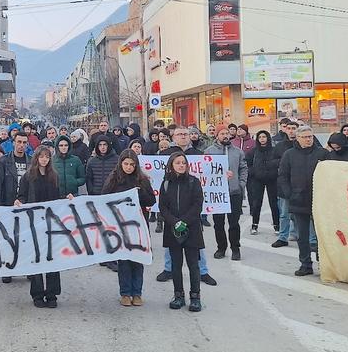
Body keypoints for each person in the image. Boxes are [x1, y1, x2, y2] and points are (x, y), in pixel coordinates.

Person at [13, 145, 71, 308]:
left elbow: (59, 197)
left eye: (47, 156)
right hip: (34, 223)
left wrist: (67, 198)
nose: (44, 159)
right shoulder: (28, 177)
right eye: (41, 156)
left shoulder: (54, 176)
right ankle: (37, 294)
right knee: (36, 258)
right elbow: (22, 196)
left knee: (52, 258)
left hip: (51, 223)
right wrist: (19, 201)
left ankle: (52, 294)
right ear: (36, 158)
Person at [101, 149, 156, 306]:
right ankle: (125, 293)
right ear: (121, 164)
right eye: (126, 164)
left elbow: (151, 200)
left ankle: (137, 293)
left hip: (139, 226)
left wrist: (139, 194)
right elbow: (104, 198)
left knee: (138, 260)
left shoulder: (142, 180)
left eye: (132, 164)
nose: (129, 167)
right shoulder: (113, 179)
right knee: (124, 261)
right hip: (120, 226)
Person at [277, 125, 329, 276]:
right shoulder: (289, 154)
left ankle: (323, 264)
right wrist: (289, 194)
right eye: (305, 137)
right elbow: (283, 175)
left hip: (319, 200)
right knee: (302, 236)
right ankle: (305, 264)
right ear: (298, 138)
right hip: (298, 200)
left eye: (310, 136)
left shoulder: (322, 153)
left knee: (321, 235)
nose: (308, 139)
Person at [159, 151, 204, 312]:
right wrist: (175, 222)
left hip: (191, 228)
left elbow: (198, 205)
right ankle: (178, 295)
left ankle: (195, 297)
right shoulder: (166, 183)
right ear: (171, 165)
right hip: (173, 229)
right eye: (177, 163)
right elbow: (163, 207)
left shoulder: (194, 182)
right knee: (176, 265)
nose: (181, 165)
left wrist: (184, 222)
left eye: (183, 163)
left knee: (193, 264)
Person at [204, 125, 248, 261]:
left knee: (234, 223)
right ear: (217, 136)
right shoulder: (209, 152)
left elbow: (243, 168)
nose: (225, 136)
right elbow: (205, 170)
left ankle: (235, 248)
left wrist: (241, 184)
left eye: (227, 133)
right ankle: (221, 248)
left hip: (234, 192)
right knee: (218, 223)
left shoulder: (238, 152)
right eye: (222, 133)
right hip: (217, 194)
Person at [247, 130, 280, 235]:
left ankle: (277, 226)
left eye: (264, 137)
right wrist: (253, 172)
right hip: (257, 180)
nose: (262, 139)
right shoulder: (253, 151)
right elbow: (247, 164)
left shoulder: (274, 150)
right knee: (256, 203)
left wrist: (274, 169)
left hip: (272, 179)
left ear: (268, 138)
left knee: (274, 203)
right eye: (260, 137)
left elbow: (280, 162)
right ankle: (254, 225)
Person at [272, 120, 299, 248]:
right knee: (284, 214)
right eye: (289, 128)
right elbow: (272, 161)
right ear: (285, 130)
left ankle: (299, 235)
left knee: (299, 214)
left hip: (300, 184)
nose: (291, 131)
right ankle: (283, 237)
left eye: (294, 128)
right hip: (284, 184)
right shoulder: (279, 146)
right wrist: (285, 162)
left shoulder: (304, 143)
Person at [52, 135, 85, 199]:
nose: (63, 147)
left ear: (69, 146)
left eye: (66, 145)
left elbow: (82, 178)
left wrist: (74, 182)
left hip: (73, 195)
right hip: (57, 196)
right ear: (57, 147)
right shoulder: (52, 160)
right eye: (61, 145)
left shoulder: (76, 160)